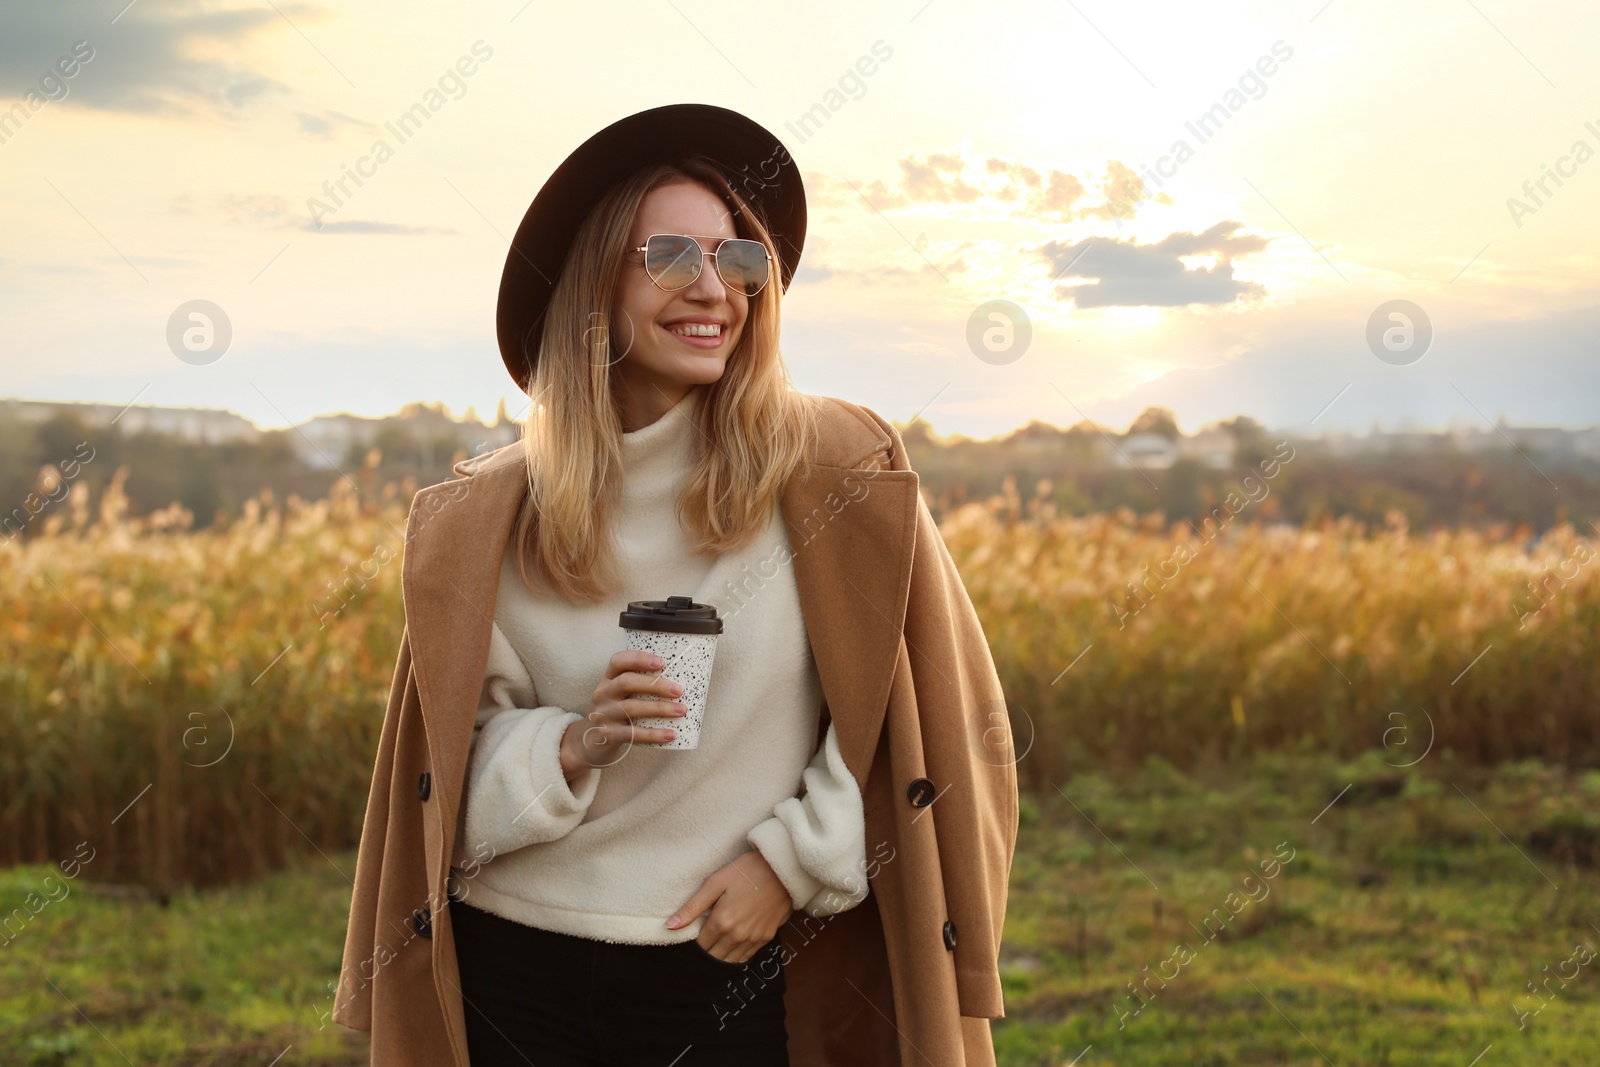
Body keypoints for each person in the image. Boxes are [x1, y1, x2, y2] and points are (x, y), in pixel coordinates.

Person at [334, 103, 1019, 1067]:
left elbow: (922, 720)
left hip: (722, 961)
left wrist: (794, 864)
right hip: (509, 961)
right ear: (593, 285)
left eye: (737, 260)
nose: (714, 289)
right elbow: (446, 787)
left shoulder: (836, 472)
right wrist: (576, 742)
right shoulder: (484, 515)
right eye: (669, 257)